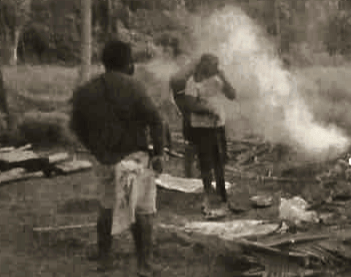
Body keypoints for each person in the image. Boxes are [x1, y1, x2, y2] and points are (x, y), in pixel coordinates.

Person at [69, 40, 167, 277]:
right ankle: (144, 266)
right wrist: (159, 154)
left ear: (104, 63)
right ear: (128, 63)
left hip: (104, 159)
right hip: (133, 158)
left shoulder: (86, 90)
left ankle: (105, 260)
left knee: (106, 207)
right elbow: (156, 121)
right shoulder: (134, 86)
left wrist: (95, 149)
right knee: (142, 212)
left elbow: (75, 125)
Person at [169, 53, 237, 215]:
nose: (216, 67)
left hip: (218, 126)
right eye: (214, 64)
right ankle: (208, 195)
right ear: (205, 65)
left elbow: (232, 95)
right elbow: (191, 104)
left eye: (217, 64)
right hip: (202, 129)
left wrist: (224, 78)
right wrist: (209, 110)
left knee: (220, 161)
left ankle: (222, 195)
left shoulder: (217, 80)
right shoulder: (193, 82)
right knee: (206, 164)